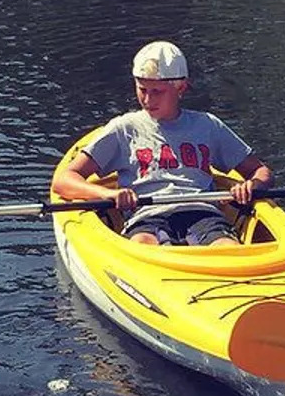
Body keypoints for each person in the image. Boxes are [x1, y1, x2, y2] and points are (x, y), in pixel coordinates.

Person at [51, 41, 273, 246]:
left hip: (202, 213)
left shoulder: (208, 125)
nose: (148, 100)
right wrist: (107, 195)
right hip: (146, 216)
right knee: (143, 244)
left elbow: (260, 171)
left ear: (181, 88)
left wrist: (252, 186)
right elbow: (64, 180)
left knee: (227, 247)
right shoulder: (123, 129)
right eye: (142, 90)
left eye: (157, 92)